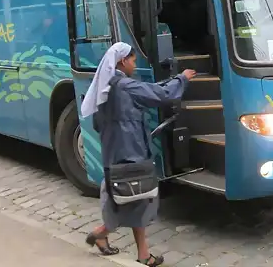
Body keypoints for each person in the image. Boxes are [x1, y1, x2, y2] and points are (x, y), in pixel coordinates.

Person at [82, 42, 196, 266]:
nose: (134, 65)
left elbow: (97, 123)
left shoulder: (105, 86)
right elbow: (161, 94)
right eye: (133, 61)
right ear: (123, 61)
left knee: (123, 197)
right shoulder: (126, 86)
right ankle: (108, 236)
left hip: (112, 152)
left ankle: (115, 240)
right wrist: (182, 78)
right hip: (132, 151)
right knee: (139, 198)